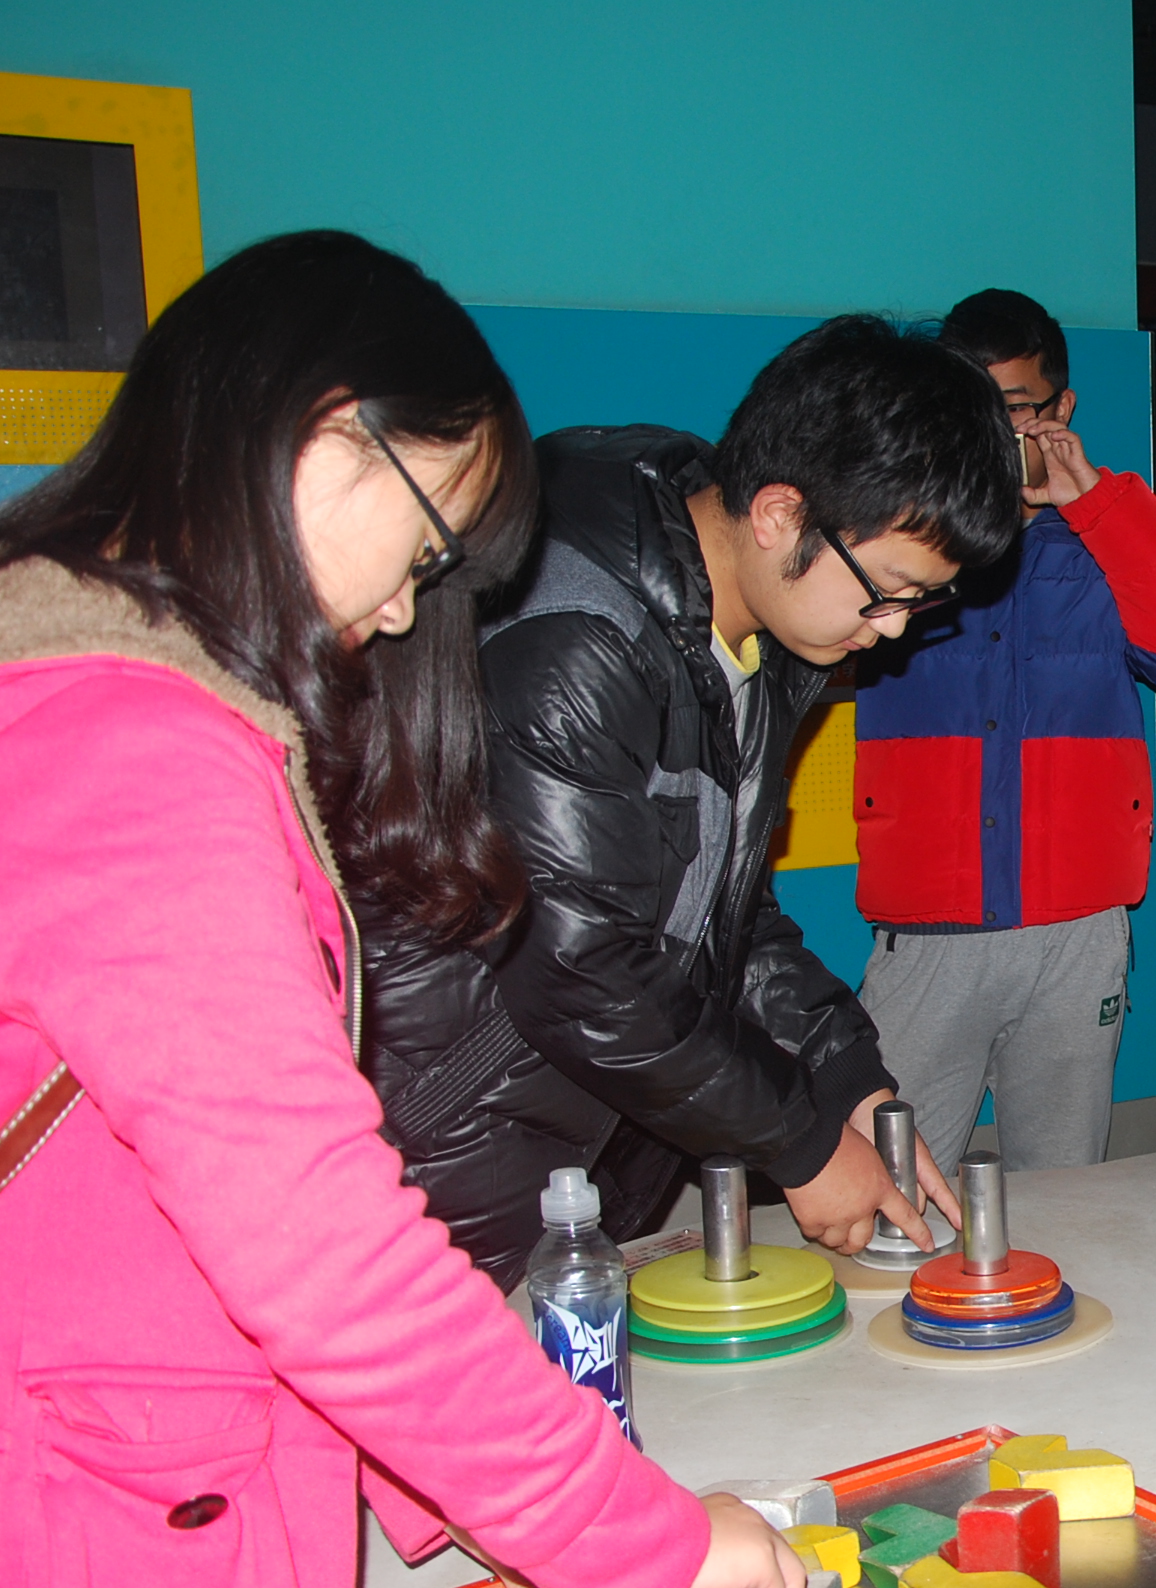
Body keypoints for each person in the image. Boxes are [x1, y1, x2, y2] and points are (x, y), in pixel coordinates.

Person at [0, 232, 804, 1588]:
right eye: (427, 543)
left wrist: (442, 1483)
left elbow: (136, 1226)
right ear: (327, 435)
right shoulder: (116, 754)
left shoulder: (20, 705)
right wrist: (643, 1537)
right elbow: (318, 1247)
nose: (402, 611)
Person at [362, 316, 1023, 1284]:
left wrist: (847, 1078)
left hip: (570, 1141)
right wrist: (801, 1143)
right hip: (436, 1151)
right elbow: (581, 966)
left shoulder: (756, 636)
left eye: (920, 602)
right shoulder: (576, 640)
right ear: (779, 514)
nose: (891, 631)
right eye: (886, 590)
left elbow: (721, 914)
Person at [852, 289, 1156, 1176]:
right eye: (971, 406)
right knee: (894, 1192)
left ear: (1061, 408)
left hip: (1077, 929)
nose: (994, 431)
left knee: (1067, 1190)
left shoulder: (1107, 532)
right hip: (928, 931)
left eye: (1014, 409)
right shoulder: (898, 536)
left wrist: (1096, 502)